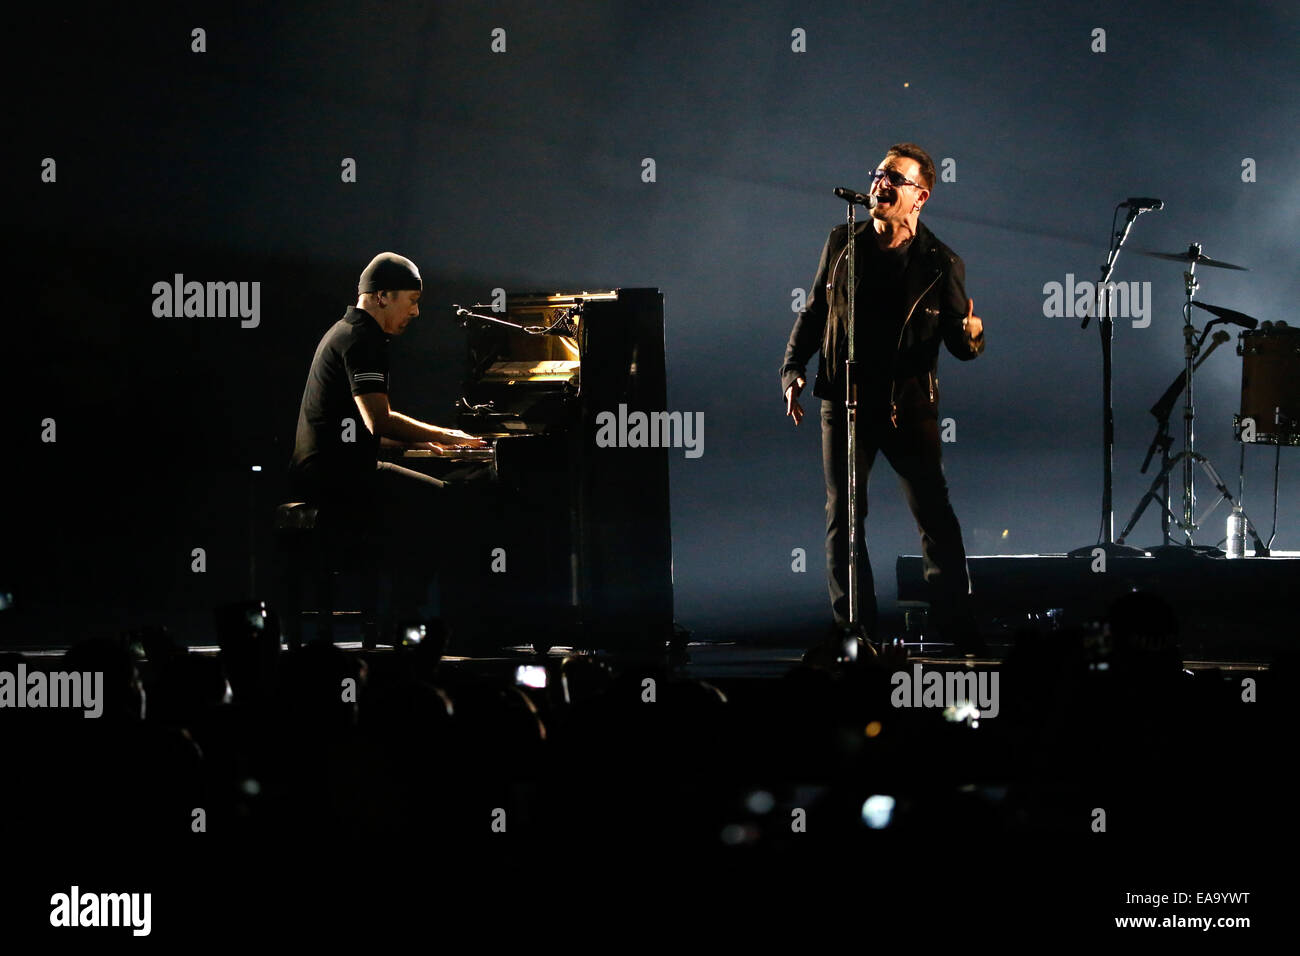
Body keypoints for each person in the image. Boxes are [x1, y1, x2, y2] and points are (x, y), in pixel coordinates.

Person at [780, 143, 985, 656]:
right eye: (877, 174)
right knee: (843, 515)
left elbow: (962, 346)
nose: (880, 183)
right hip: (842, 400)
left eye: (894, 177)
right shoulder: (841, 242)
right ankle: (854, 631)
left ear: (921, 195)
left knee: (933, 513)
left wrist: (973, 334)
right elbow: (814, 311)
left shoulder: (941, 263)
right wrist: (791, 369)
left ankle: (957, 626)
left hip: (909, 406)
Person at [288, 251, 488, 633]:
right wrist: (447, 434)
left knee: (419, 504)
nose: (415, 313)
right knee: (444, 501)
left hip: (323, 470)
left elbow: (352, 428)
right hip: (335, 478)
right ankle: (410, 621)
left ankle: (402, 618)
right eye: (411, 301)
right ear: (382, 297)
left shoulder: (344, 331)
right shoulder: (364, 339)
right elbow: (378, 421)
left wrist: (417, 446)